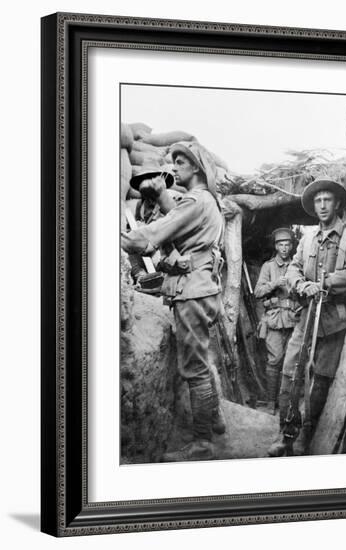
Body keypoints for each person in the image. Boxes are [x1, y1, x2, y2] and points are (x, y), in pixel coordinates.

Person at [121, 141, 225, 462]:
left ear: (196, 168)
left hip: (191, 290)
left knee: (193, 367)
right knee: (202, 358)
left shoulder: (194, 201)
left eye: (181, 162)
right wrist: (162, 198)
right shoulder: (206, 201)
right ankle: (215, 420)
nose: (175, 166)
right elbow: (183, 224)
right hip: (201, 287)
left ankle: (202, 443)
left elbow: (145, 238)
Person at [268, 178, 346, 456]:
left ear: (337, 204)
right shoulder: (307, 238)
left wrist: (325, 283)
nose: (322, 205)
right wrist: (301, 285)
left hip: (332, 322)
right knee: (290, 374)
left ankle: (308, 436)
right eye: (318, 201)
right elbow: (293, 269)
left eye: (327, 200)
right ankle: (286, 436)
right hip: (306, 318)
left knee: (319, 380)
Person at [254, 228, 301, 414]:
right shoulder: (268, 266)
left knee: (292, 362)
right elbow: (257, 292)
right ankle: (271, 402)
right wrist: (274, 284)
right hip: (273, 321)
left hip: (293, 319)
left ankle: (287, 404)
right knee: (274, 361)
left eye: (287, 244)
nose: (284, 248)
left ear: (292, 246)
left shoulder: (297, 265)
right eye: (280, 244)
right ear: (275, 246)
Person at [126, 165, 178, 288]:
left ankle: (164, 279)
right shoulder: (141, 204)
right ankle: (140, 276)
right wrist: (138, 227)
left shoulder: (169, 199)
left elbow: (176, 221)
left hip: (165, 244)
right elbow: (135, 224)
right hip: (148, 244)